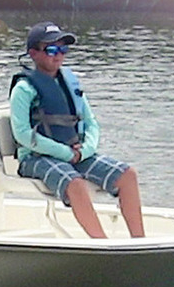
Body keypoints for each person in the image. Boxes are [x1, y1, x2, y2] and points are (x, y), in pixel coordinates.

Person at [10, 21, 145, 238]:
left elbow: (91, 124)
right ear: (33, 54)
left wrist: (85, 151)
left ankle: (139, 241)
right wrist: (65, 153)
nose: (58, 55)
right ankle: (101, 243)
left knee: (128, 175)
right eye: (52, 49)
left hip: (77, 153)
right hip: (36, 157)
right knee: (75, 183)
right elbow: (23, 135)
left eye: (63, 49)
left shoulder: (71, 84)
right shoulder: (24, 89)